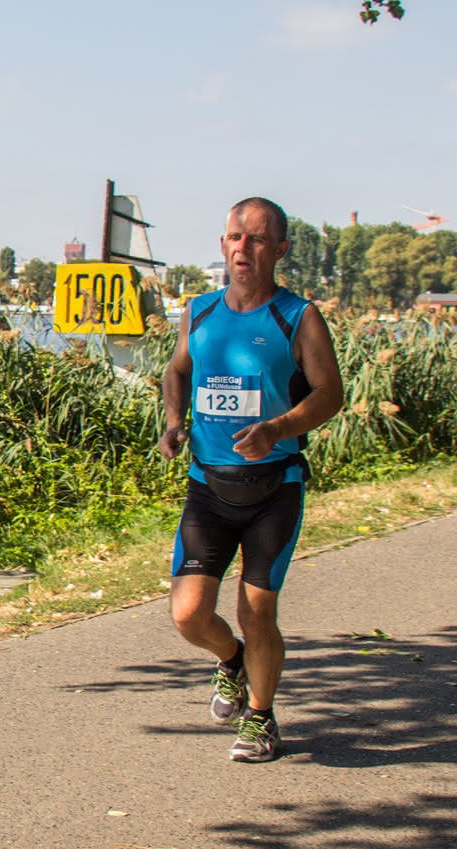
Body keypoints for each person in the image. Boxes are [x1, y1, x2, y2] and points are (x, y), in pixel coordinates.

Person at [157, 197, 343, 763]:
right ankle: (232, 660)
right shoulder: (200, 312)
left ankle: (261, 720)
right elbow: (176, 370)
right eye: (236, 237)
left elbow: (330, 393)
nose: (244, 248)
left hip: (274, 489)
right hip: (208, 487)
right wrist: (174, 422)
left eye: (258, 239)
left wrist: (278, 429)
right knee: (188, 614)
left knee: (257, 612)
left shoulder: (298, 316)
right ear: (223, 245)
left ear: (279, 249)